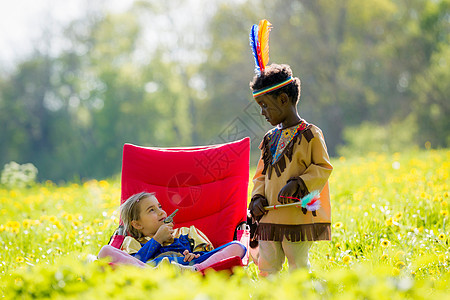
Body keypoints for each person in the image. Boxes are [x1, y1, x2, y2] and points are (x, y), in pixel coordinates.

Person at [248, 63, 333, 276]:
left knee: (298, 268)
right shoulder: (269, 139)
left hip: (297, 217)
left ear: (284, 100)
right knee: (267, 267)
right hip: (268, 218)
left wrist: (299, 183)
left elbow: (323, 167)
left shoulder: (310, 134)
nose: (262, 112)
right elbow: (260, 175)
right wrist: (257, 197)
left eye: (265, 105)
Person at [98, 192, 246, 271]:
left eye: (160, 206)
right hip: (150, 268)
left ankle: (195, 270)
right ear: (137, 224)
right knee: (105, 251)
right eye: (152, 210)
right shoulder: (132, 242)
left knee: (238, 246)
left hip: (191, 265)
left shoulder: (187, 231)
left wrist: (195, 255)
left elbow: (208, 253)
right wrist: (157, 240)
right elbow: (135, 261)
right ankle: (151, 274)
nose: (161, 212)